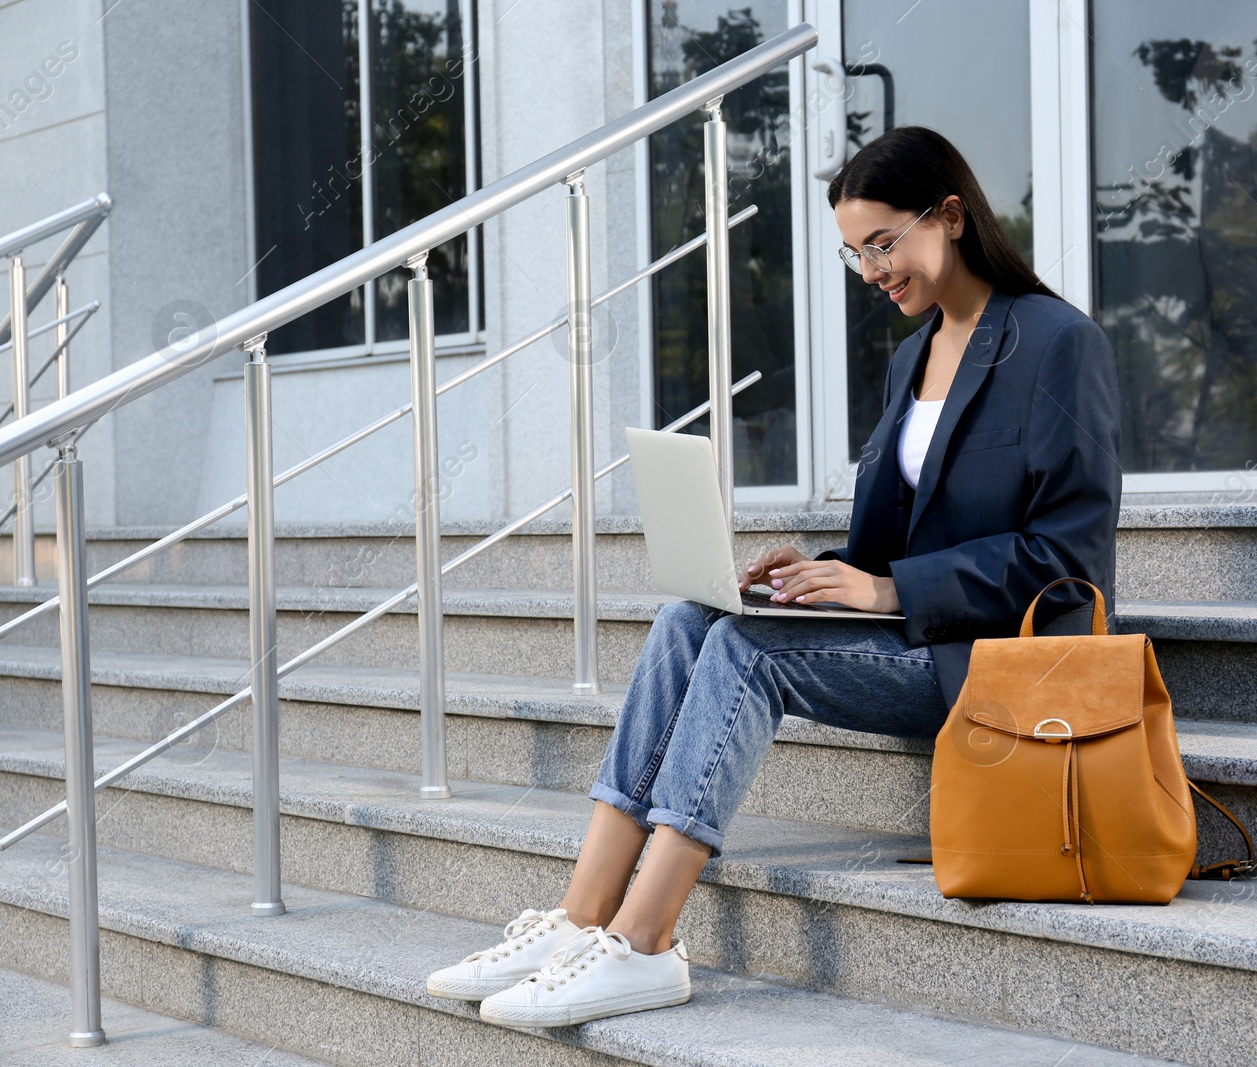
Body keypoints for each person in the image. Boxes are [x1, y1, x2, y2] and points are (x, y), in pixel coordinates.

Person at [426, 125, 1122, 1029]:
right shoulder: (912, 357)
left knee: (749, 652)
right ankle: (580, 916)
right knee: (692, 618)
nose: (871, 271)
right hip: (913, 629)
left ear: (950, 217)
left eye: (883, 244)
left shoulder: (1058, 344)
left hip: (995, 664)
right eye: (854, 252)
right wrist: (823, 573)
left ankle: (645, 942)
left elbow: (1069, 560)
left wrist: (890, 591)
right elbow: (897, 535)